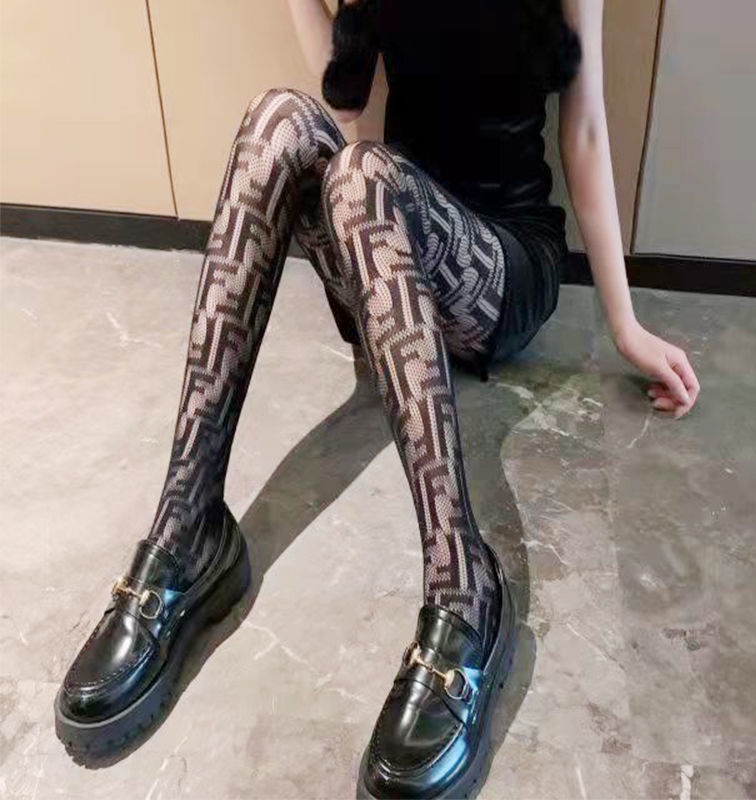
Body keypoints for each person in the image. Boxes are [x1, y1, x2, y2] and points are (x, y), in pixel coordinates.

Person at [54, 0, 700, 796]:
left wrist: (624, 323)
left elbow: (588, 125)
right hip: (383, 245)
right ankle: (187, 530)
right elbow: (345, 91)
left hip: (499, 263)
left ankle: (464, 583)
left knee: (364, 175)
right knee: (276, 120)